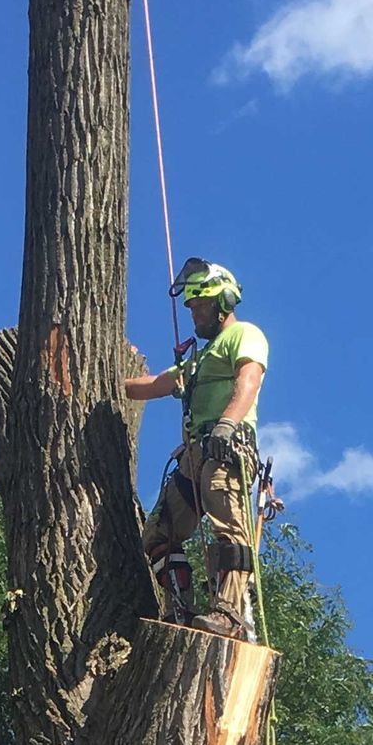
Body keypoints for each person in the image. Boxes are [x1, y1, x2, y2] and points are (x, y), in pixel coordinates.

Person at [126, 259, 269, 638]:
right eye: (191, 307)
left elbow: (249, 381)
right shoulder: (199, 358)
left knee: (230, 531)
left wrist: (226, 425)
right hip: (196, 454)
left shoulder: (246, 335)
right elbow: (157, 384)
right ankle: (179, 611)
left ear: (223, 301)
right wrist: (109, 382)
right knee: (158, 533)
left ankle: (230, 614)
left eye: (201, 305)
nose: (195, 315)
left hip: (227, 447)